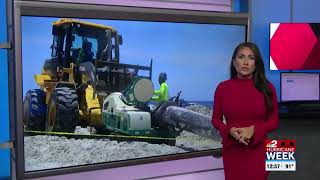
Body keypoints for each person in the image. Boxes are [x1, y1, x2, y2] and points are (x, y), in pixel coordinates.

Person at [212, 42, 279, 180]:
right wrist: (229, 130)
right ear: (234, 61)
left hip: (259, 151)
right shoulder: (223, 88)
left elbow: (274, 121)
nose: (246, 62)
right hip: (232, 151)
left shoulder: (268, 88)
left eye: (251, 58)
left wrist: (254, 129)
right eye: (241, 57)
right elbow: (216, 119)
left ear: (256, 64)